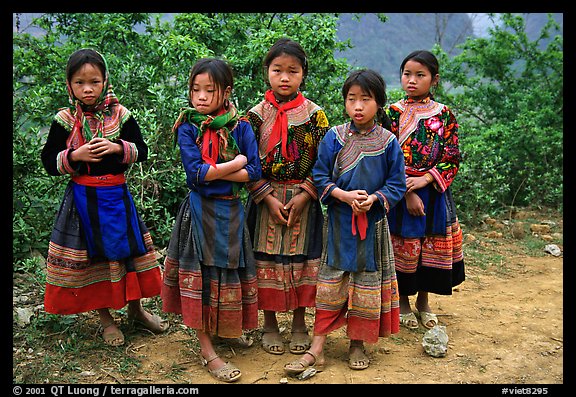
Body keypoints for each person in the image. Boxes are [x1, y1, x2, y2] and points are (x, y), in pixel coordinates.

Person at [41, 48, 169, 347]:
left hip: (117, 197)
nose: (87, 89)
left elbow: (142, 149)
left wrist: (117, 148)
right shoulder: (63, 121)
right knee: (94, 258)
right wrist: (75, 155)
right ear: (69, 85)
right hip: (83, 201)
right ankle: (106, 319)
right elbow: (49, 161)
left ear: (105, 82)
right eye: (79, 82)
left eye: (94, 81)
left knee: (128, 253)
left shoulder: (120, 115)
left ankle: (136, 311)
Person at [283, 69, 406, 375]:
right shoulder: (333, 137)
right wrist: (343, 196)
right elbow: (321, 176)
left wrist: (374, 199)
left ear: (379, 103)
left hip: (373, 226)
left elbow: (397, 184)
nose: (358, 106)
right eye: (352, 99)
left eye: (366, 99)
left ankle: (357, 343)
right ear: (345, 103)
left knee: (366, 284)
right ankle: (317, 348)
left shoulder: (389, 142)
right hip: (339, 224)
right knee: (330, 284)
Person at [161, 57, 262, 383]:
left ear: (227, 91)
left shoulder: (241, 125)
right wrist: (237, 165)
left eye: (209, 90)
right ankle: (207, 349)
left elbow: (256, 171)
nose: (200, 97)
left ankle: (225, 329)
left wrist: (220, 173)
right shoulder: (188, 126)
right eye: (195, 90)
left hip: (231, 212)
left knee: (226, 272)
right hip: (199, 213)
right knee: (201, 276)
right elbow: (195, 175)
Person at [245, 37, 330, 357]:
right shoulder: (253, 116)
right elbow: (246, 162)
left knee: (302, 264)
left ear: (302, 75)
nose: (284, 77)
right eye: (277, 70)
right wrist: (266, 196)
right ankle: (269, 324)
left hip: (303, 200)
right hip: (264, 200)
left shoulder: (315, 115)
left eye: (292, 71)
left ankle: (298, 324)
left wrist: (305, 195)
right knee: (265, 263)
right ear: (266, 71)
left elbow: (326, 160)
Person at [386, 50, 465, 330]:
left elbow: (452, 156)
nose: (412, 80)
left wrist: (425, 181)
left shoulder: (444, 115)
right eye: (407, 74)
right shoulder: (391, 113)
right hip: (399, 192)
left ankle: (424, 302)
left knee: (429, 247)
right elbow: (386, 155)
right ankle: (404, 302)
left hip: (433, 193)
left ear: (434, 80)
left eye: (420, 75)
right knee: (404, 246)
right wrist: (407, 191)